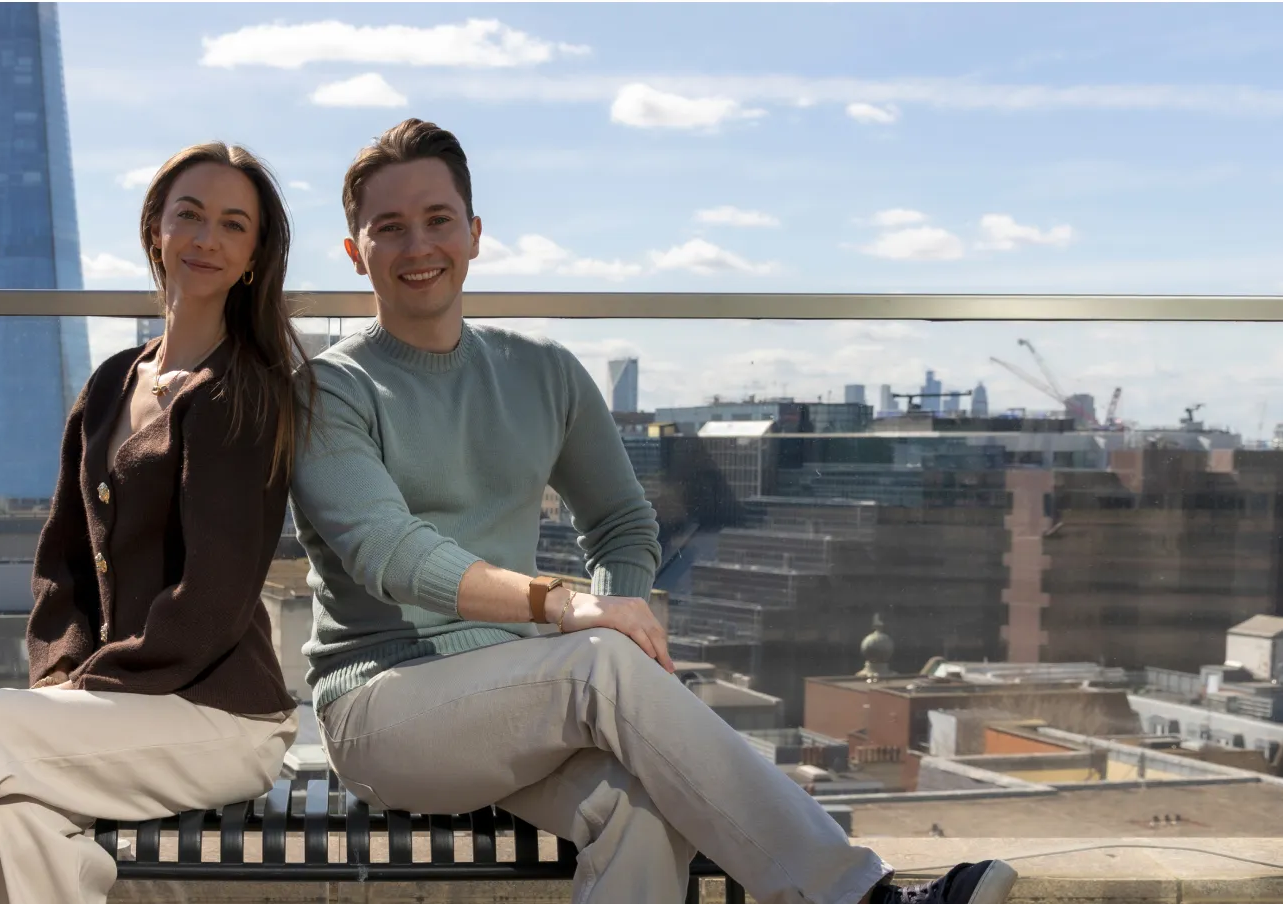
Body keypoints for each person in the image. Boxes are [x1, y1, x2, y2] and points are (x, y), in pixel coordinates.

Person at [289, 117, 1019, 904]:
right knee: (600, 661)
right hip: (384, 711)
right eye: (388, 228)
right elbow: (389, 553)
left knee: (640, 812)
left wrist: (620, 603)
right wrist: (569, 606)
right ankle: (860, 897)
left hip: (521, 697)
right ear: (355, 252)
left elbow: (623, 523)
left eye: (438, 220)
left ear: (474, 232)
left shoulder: (543, 372)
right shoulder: (330, 390)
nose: (417, 245)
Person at [0, 142, 315, 904]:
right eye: (188, 215)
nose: (205, 239)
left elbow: (213, 598)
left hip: (221, 717)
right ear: (154, 228)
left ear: (254, 258)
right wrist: (61, 676)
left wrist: (86, 687)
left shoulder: (242, 397)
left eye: (233, 225)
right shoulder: (108, 384)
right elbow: (59, 564)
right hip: (114, 710)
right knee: (21, 820)